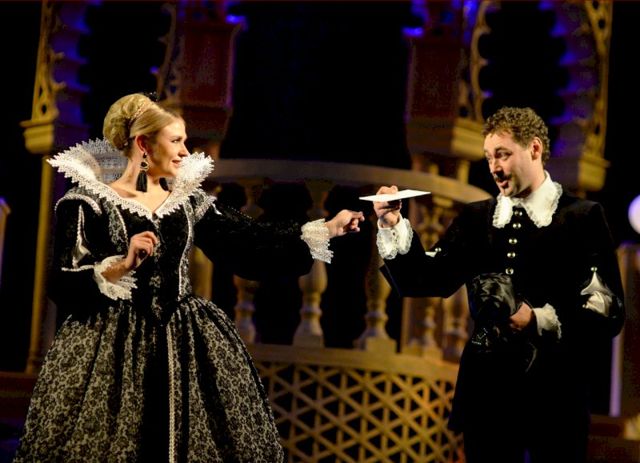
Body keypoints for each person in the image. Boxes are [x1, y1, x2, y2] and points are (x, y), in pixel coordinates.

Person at [13, 92, 365, 462]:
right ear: (143, 144)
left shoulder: (187, 201)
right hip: (110, 347)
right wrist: (122, 264)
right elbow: (63, 281)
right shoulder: (88, 201)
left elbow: (250, 244)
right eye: (176, 140)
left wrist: (328, 229)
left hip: (182, 339)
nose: (185, 151)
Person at [372, 106, 624, 463]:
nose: (494, 166)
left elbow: (606, 308)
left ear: (534, 149)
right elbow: (426, 278)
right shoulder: (477, 218)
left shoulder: (581, 218)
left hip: (555, 396)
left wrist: (535, 318)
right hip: (487, 396)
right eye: (489, 157)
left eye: (503, 154)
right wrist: (392, 223)